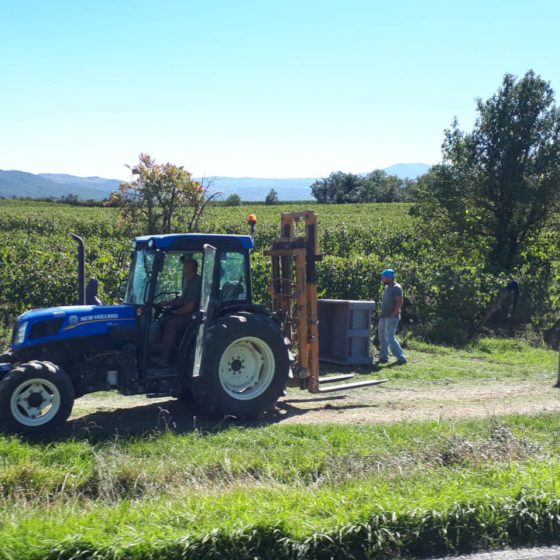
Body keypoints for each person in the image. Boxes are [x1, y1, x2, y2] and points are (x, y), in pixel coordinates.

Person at [154, 258, 202, 367]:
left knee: (171, 324)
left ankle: (164, 359)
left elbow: (189, 307)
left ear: (190, 268)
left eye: (184, 267)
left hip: (195, 316)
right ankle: (155, 351)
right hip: (189, 313)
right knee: (162, 321)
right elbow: (181, 300)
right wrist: (165, 303)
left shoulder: (196, 283)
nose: (182, 269)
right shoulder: (190, 282)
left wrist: (175, 312)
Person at [377, 268, 407, 365]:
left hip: (392, 317)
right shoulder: (387, 287)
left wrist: (393, 314)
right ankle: (384, 357)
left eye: (383, 277)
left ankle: (401, 358)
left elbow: (399, 302)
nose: (382, 279)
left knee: (390, 338)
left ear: (389, 278)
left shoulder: (397, 288)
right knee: (382, 336)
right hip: (384, 316)